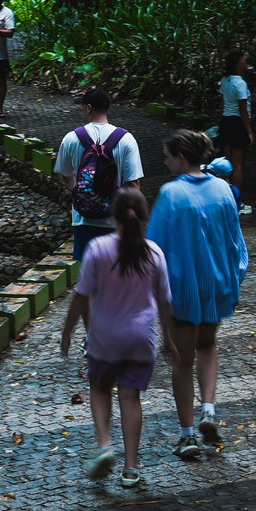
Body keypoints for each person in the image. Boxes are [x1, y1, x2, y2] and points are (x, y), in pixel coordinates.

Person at [145, 130, 247, 460]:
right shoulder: (223, 189)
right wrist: (234, 283)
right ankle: (209, 410)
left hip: (182, 291)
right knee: (208, 345)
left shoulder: (170, 194)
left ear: (181, 157)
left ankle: (187, 436)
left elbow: (154, 248)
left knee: (180, 360)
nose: (164, 161)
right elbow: (236, 244)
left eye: (167, 156)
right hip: (216, 286)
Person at [59, 187, 169, 488]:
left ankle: (105, 445)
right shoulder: (154, 252)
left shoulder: (97, 248)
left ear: (112, 213)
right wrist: (169, 340)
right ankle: (131, 469)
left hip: (104, 335)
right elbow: (165, 302)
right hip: (140, 337)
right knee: (130, 397)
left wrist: (68, 332)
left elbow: (81, 297)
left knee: (99, 387)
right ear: (143, 215)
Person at [53, 88, 143, 246]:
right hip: (116, 221)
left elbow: (66, 176)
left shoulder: (71, 138)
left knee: (86, 266)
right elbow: (133, 184)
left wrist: (85, 194)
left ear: (88, 108)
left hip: (82, 220)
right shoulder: (126, 139)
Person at [214, 50, 254, 213]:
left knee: (227, 163)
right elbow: (243, 109)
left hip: (226, 121)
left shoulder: (225, 80)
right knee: (238, 165)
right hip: (237, 123)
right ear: (238, 65)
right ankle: (237, 203)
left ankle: (226, 199)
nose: (245, 61)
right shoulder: (241, 83)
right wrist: (249, 131)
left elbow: (223, 105)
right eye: (243, 59)